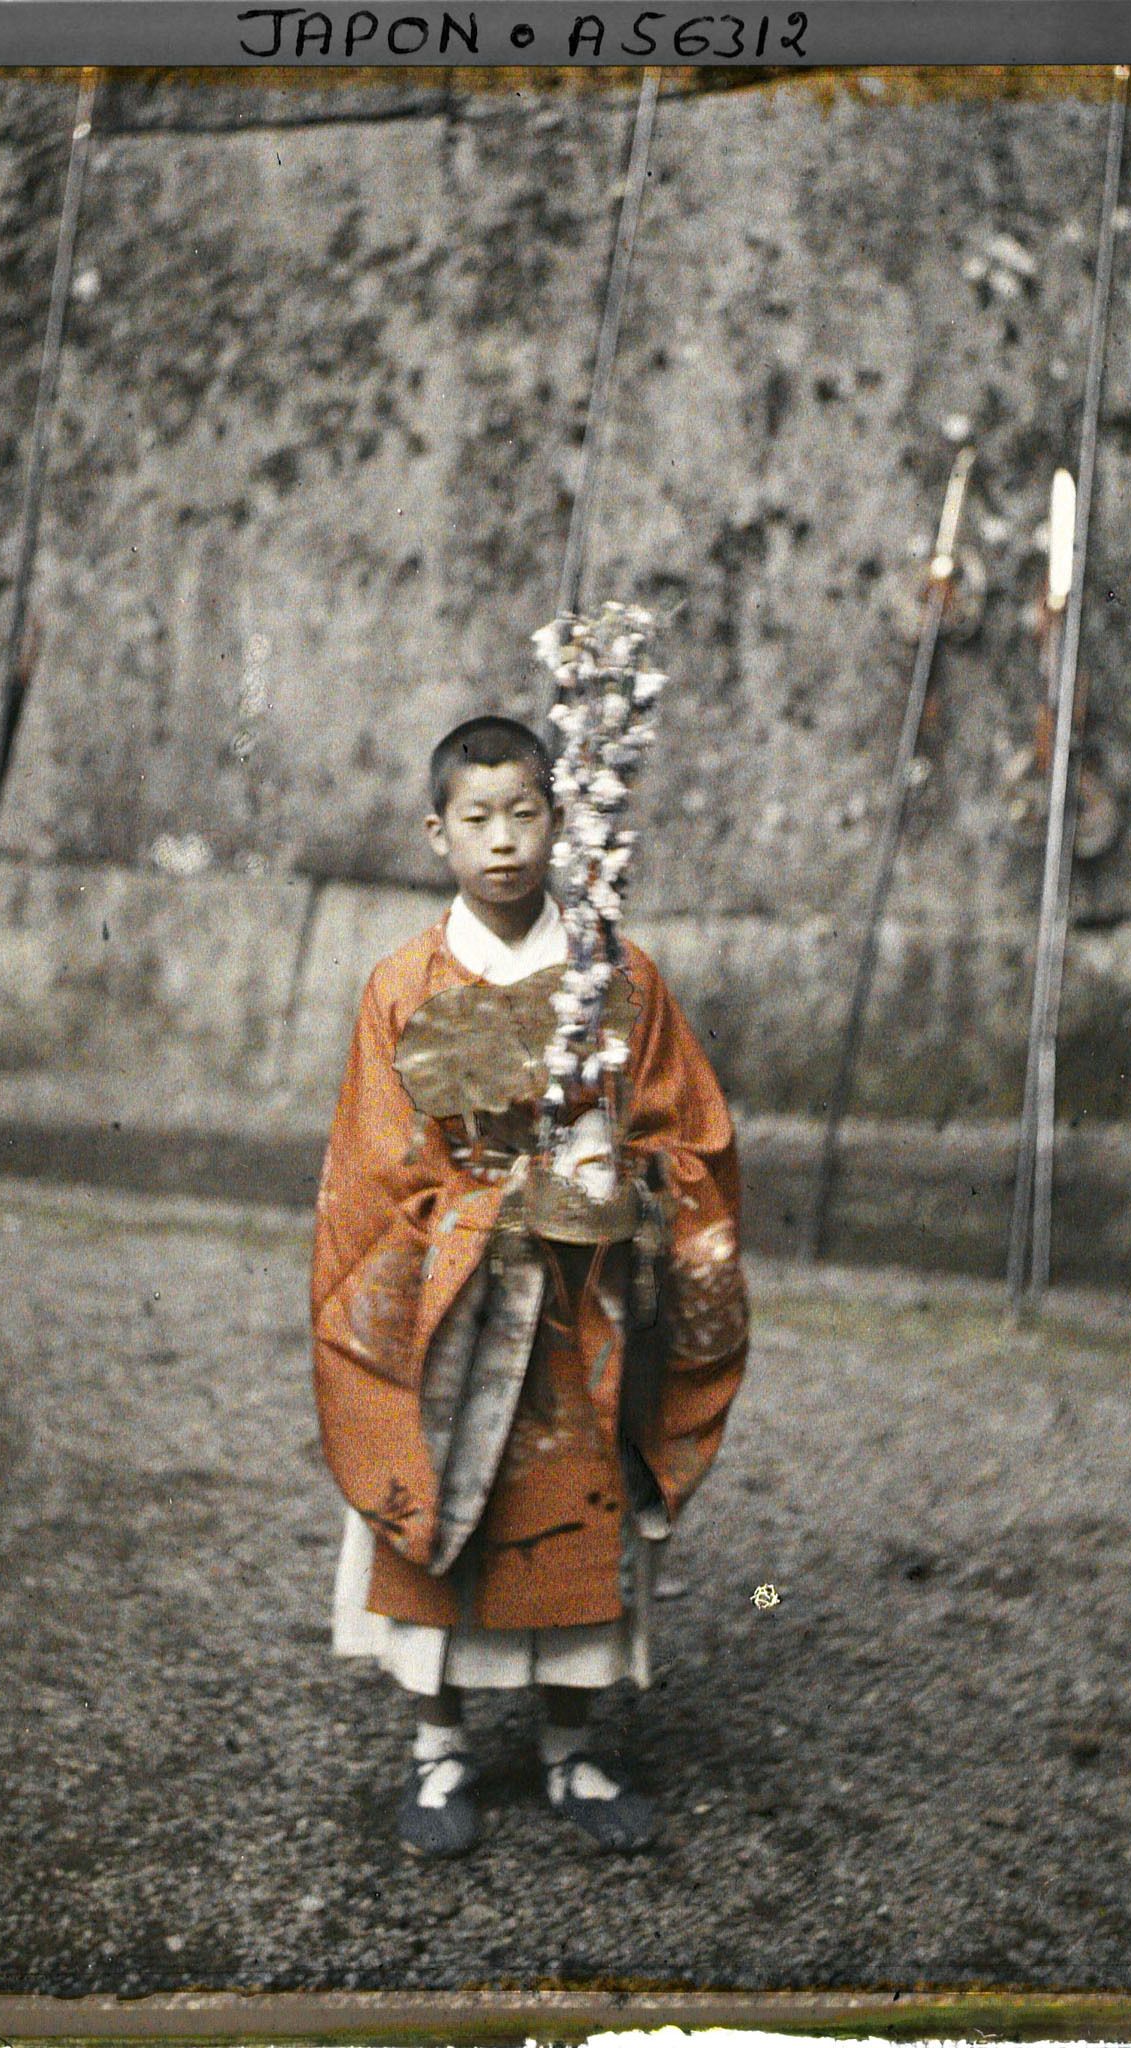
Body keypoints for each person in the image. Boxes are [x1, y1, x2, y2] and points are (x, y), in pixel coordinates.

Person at [313, 712, 748, 1857]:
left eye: (523, 813)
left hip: (581, 1303)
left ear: (561, 821)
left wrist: (630, 1183)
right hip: (450, 1298)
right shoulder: (403, 983)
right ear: (437, 833)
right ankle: (438, 1743)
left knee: (577, 1507)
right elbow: (374, 1170)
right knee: (439, 1504)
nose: (502, 840)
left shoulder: (619, 976)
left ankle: (571, 1743)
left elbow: (688, 1136)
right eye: (476, 817)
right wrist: (484, 1213)